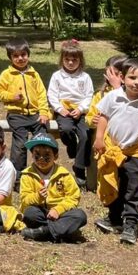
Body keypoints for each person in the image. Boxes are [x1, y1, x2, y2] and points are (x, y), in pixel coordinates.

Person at [93, 58, 138, 245]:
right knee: (114, 185)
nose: (136, 82)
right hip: (112, 150)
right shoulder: (113, 96)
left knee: (133, 189)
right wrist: (99, 139)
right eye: (132, 77)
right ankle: (114, 218)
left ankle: (130, 224)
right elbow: (103, 118)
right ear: (122, 78)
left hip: (135, 152)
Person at [0, 38, 49, 175]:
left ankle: (43, 171)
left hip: (35, 114)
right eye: (16, 56)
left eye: (23, 55)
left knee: (42, 142)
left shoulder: (34, 74)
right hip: (16, 114)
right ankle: (18, 176)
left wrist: (43, 112)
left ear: (28, 55)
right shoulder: (7, 74)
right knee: (20, 145)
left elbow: (42, 94)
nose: (20, 58)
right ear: (10, 58)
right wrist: (11, 96)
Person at [19, 134, 87, 242]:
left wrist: (58, 209)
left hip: (60, 214)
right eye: (37, 154)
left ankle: (43, 232)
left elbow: (73, 197)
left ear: (55, 156)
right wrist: (37, 197)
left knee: (80, 215)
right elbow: (24, 199)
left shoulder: (64, 174)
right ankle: (61, 230)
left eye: (46, 154)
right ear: (32, 154)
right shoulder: (27, 175)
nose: (41, 158)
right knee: (30, 213)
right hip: (40, 213)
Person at [48, 39, 94, 182]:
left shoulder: (85, 77)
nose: (70, 62)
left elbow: (89, 95)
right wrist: (59, 109)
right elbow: (52, 95)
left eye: (74, 60)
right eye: (67, 59)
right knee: (67, 129)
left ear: (80, 60)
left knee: (85, 136)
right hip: (64, 110)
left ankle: (79, 169)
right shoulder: (57, 76)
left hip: (80, 111)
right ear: (62, 60)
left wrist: (81, 109)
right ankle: (72, 147)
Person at [85, 54, 126, 191]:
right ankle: (96, 186)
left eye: (113, 74)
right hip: (101, 141)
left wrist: (117, 88)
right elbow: (89, 117)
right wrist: (93, 120)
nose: (109, 77)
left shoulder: (130, 95)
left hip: (120, 142)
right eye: (107, 72)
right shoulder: (100, 95)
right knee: (98, 167)